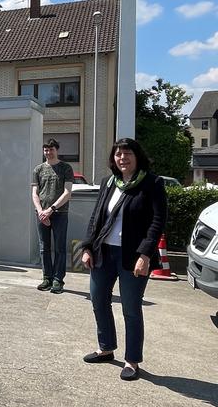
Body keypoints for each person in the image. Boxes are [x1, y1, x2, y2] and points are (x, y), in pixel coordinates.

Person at [77, 138, 166, 381]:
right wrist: (88, 247)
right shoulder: (109, 182)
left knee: (131, 308)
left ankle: (132, 361)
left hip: (133, 257)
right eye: (118, 154)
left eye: (127, 154)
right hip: (104, 252)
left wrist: (145, 254)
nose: (122, 158)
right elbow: (96, 217)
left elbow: (157, 222)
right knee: (98, 300)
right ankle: (106, 348)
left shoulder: (151, 183)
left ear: (137, 157)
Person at [31, 138, 74, 294]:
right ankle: (47, 278)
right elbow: (35, 193)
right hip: (42, 215)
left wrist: (51, 209)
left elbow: (67, 192)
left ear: (57, 150)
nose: (48, 153)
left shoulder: (65, 168)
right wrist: (41, 211)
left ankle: (58, 280)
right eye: (46, 150)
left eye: (51, 150)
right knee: (44, 248)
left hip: (59, 214)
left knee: (60, 248)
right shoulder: (38, 169)